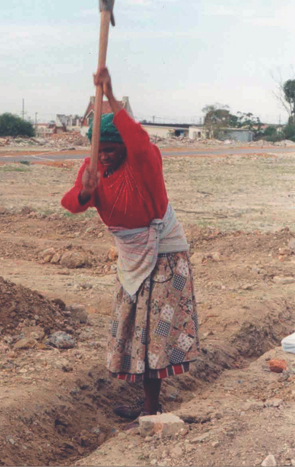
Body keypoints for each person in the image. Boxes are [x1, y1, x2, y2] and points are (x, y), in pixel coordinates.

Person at [61, 67, 199, 425]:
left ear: (122, 147)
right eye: (100, 151)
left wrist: (110, 96)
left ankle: (152, 409)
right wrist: (86, 192)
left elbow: (139, 140)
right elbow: (71, 203)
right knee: (136, 332)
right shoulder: (92, 169)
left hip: (164, 258)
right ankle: (147, 405)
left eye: (110, 150)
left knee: (155, 333)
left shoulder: (143, 163)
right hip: (132, 259)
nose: (104, 157)